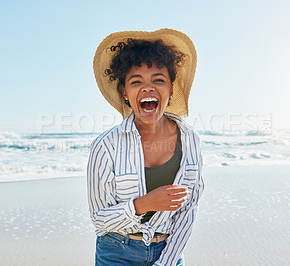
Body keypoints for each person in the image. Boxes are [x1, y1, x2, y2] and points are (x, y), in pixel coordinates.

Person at [87, 28, 204, 266]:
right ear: (126, 93)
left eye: (158, 80)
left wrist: (167, 262)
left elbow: (188, 211)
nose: (148, 88)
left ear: (171, 90)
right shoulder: (105, 146)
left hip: (168, 251)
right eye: (136, 81)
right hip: (116, 252)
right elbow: (99, 219)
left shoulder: (190, 138)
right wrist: (144, 204)